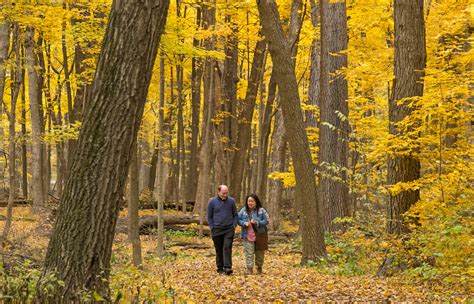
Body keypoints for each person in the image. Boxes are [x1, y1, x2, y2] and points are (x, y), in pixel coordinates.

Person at [207, 185, 238, 275]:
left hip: (229, 229)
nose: (225, 195)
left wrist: (234, 225)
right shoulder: (212, 202)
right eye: (223, 193)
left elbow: (235, 215)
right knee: (219, 249)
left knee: (227, 247)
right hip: (216, 229)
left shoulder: (231, 201)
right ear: (219, 192)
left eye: (226, 193)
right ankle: (220, 267)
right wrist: (212, 227)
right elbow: (209, 216)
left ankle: (228, 267)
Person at [238, 194, 269, 275]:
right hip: (247, 235)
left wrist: (257, 222)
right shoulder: (243, 210)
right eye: (249, 201)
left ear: (256, 202)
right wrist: (244, 223)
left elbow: (266, 221)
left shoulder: (262, 210)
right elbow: (238, 219)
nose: (250, 203)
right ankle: (249, 269)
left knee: (260, 253)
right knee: (249, 252)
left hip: (260, 235)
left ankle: (259, 268)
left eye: (252, 201)